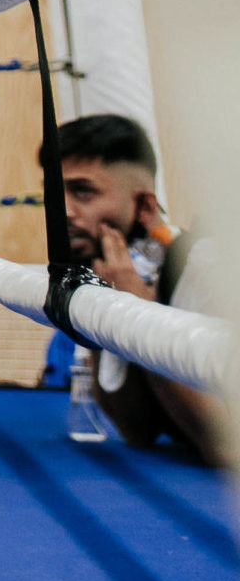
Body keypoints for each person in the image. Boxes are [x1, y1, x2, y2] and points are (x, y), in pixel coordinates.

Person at [49, 114, 223, 465]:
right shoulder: (130, 271)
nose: (63, 210)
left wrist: (143, 315)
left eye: (83, 191)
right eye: (55, 191)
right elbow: (136, 429)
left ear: (144, 206)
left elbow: (224, 444)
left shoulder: (206, 265)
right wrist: (103, 310)